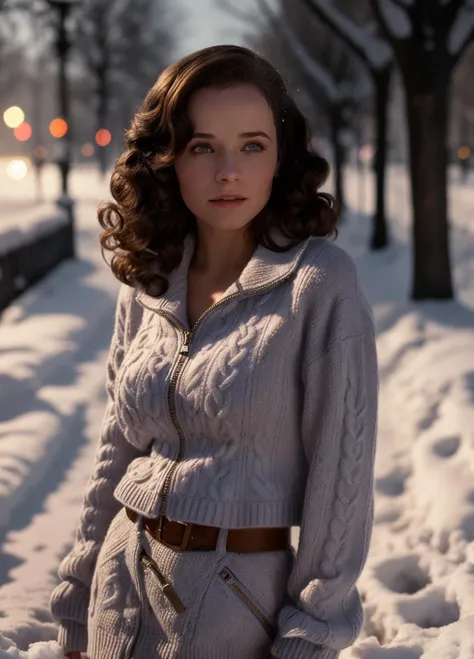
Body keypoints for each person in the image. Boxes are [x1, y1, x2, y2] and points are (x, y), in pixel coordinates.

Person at [49, 44, 378, 659]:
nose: (228, 171)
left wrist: (312, 632)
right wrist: (77, 591)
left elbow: (344, 482)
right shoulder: (149, 280)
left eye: (252, 145)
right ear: (167, 159)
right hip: (118, 596)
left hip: (237, 611)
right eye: (202, 147)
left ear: (281, 157)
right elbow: (117, 448)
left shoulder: (319, 286)